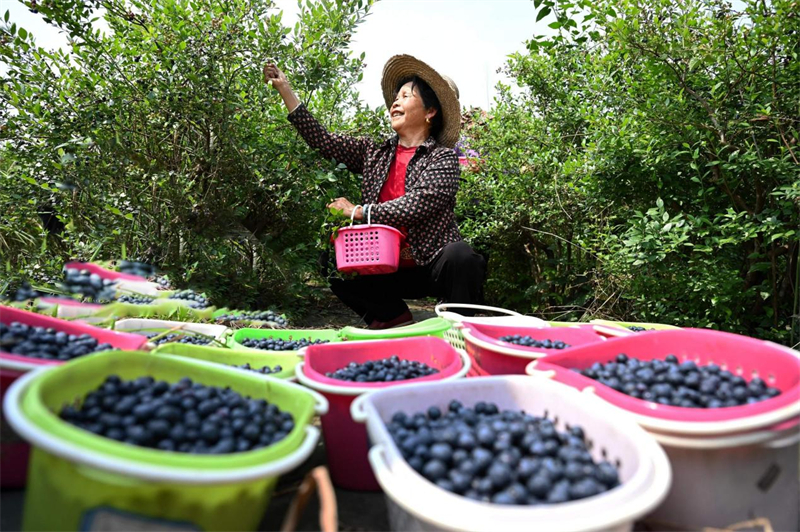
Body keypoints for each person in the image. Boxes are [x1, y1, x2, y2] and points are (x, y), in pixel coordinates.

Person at [264, 54, 486, 329]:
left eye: (406, 96)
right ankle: (392, 317)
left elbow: (419, 203)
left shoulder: (442, 158)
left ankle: (458, 329)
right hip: (382, 265)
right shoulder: (375, 152)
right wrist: (285, 89)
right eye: (396, 97)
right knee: (331, 260)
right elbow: (323, 140)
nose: (395, 102)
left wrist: (360, 211)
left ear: (430, 112)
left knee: (462, 257)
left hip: (429, 266)